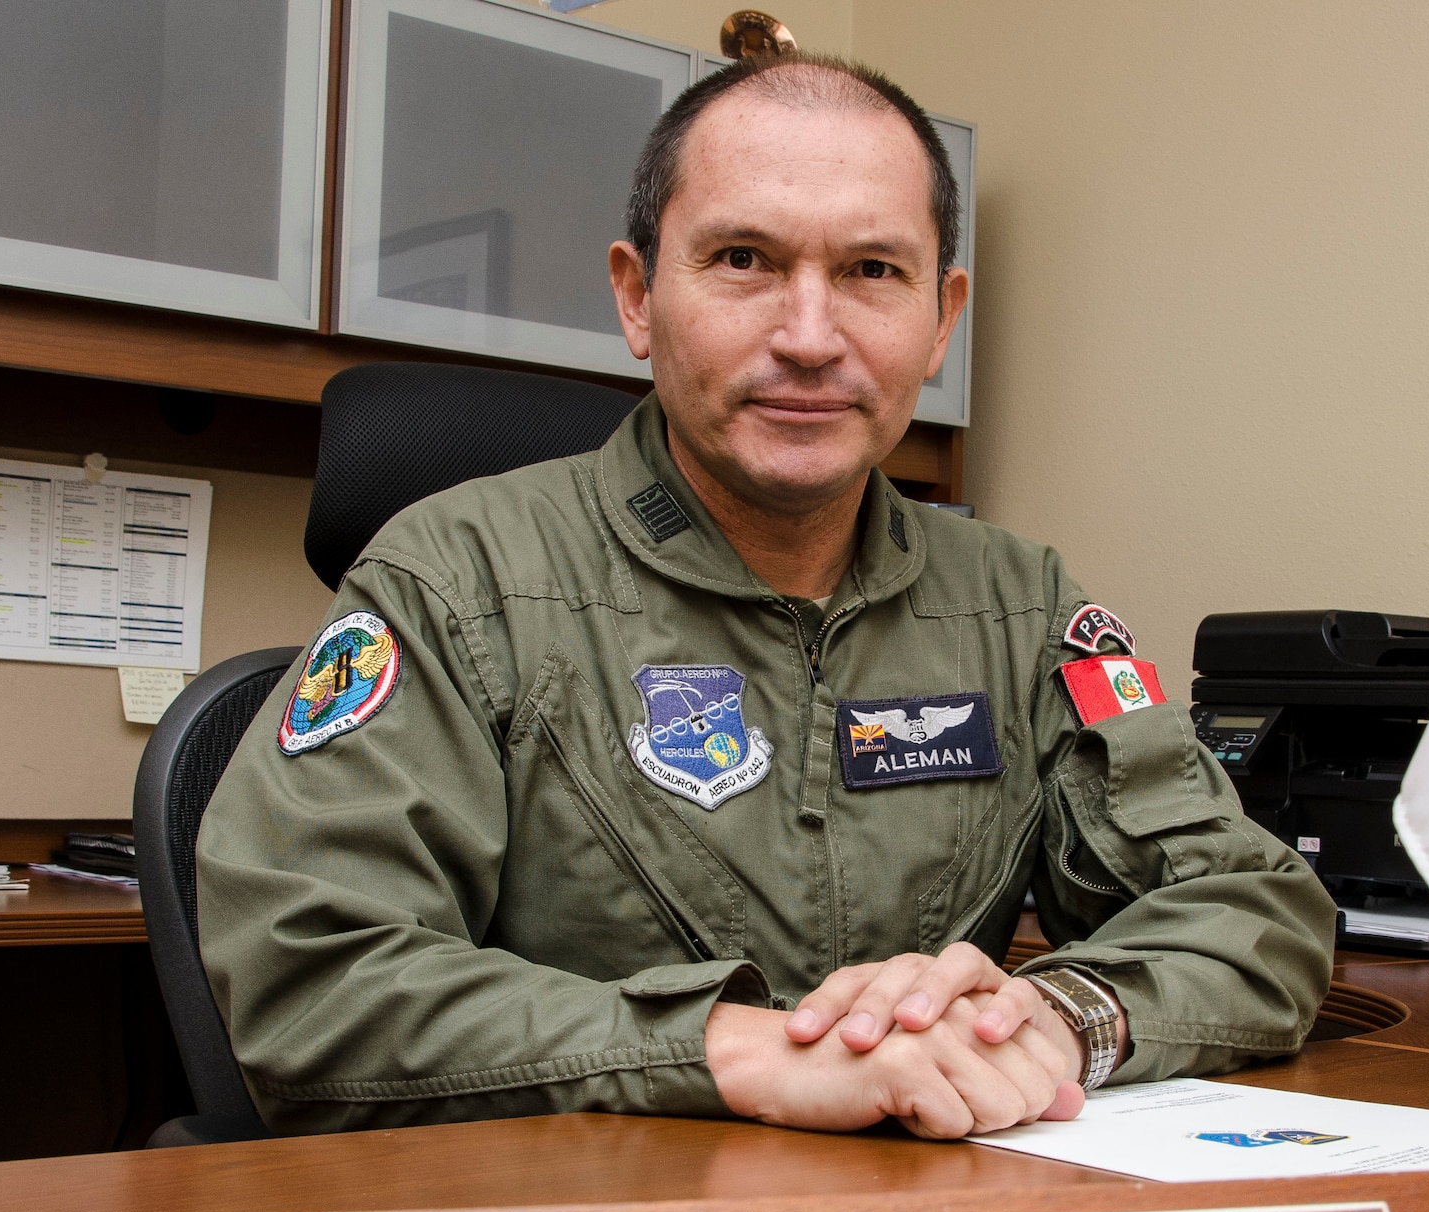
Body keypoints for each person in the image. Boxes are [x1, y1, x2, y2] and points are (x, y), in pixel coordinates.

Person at [195, 52, 1336, 1139]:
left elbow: (1253, 906)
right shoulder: (456, 581)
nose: (807, 336)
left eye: (869, 272)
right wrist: (748, 1056)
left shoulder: (1021, 606)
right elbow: (315, 980)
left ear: (939, 321)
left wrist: (1055, 1017)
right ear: (638, 296)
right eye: (743, 259)